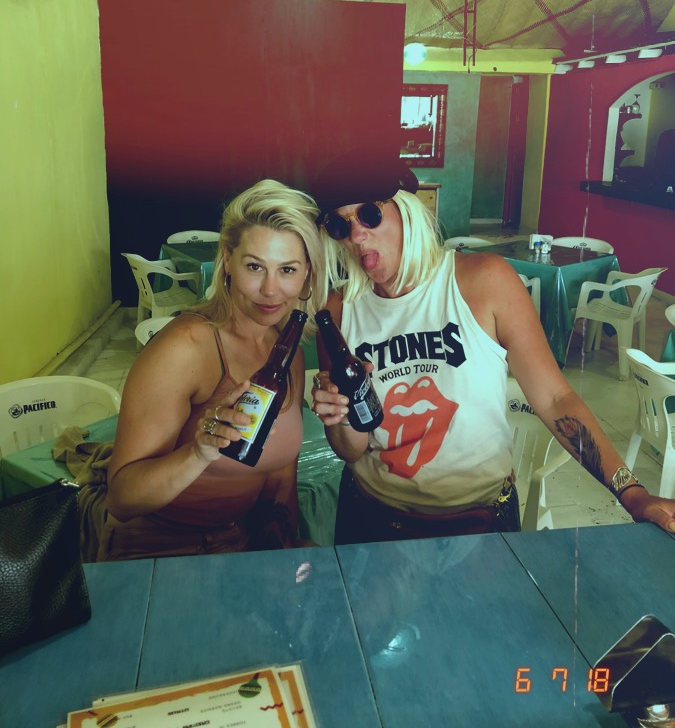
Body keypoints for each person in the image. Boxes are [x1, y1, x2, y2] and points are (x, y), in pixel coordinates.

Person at [309, 147, 675, 544]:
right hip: (373, 518)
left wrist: (632, 493)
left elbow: (555, 399)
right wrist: (340, 416)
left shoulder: (484, 281)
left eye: (370, 214)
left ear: (406, 210)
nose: (357, 235)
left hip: (479, 521)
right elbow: (352, 449)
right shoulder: (337, 312)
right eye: (340, 225)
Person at [98, 179, 327, 561]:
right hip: (159, 548)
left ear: (307, 274)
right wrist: (199, 451)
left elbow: (281, 478)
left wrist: (284, 553)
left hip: (240, 543)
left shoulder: (289, 352)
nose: (271, 290)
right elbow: (122, 499)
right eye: (255, 266)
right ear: (228, 261)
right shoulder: (185, 348)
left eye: (287, 269)